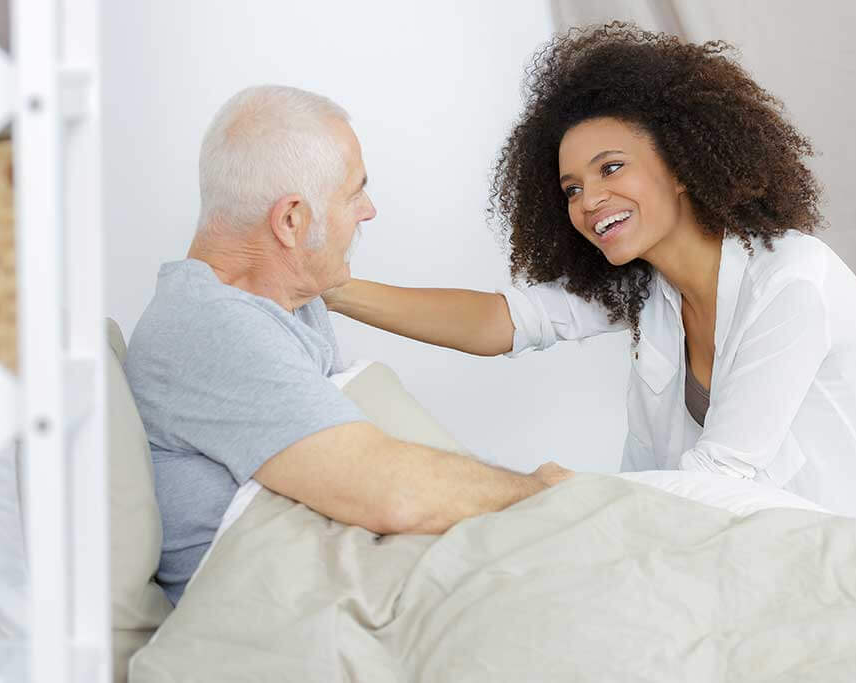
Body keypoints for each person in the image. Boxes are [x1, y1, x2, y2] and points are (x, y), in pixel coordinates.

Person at [325, 24, 856, 537]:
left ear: (680, 164)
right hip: (773, 573)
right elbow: (505, 321)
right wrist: (329, 286)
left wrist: (564, 495)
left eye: (611, 168)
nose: (590, 200)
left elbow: (722, 477)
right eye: (572, 189)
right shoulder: (650, 287)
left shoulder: (792, 282)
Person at [125, 85, 571, 605]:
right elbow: (393, 492)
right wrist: (538, 493)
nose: (370, 211)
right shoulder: (215, 328)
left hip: (332, 589)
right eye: (355, 192)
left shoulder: (278, 298)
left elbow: (486, 321)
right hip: (282, 622)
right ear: (291, 220)